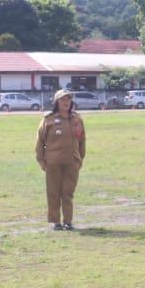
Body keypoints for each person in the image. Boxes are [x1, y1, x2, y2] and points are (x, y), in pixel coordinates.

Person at [35, 88, 87, 231]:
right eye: (63, 100)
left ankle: (68, 222)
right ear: (57, 102)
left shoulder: (77, 119)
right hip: (53, 163)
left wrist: (79, 159)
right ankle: (55, 221)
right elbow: (40, 142)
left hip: (72, 162)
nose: (66, 102)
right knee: (53, 192)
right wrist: (41, 161)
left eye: (68, 99)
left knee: (68, 193)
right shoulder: (49, 120)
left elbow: (82, 141)